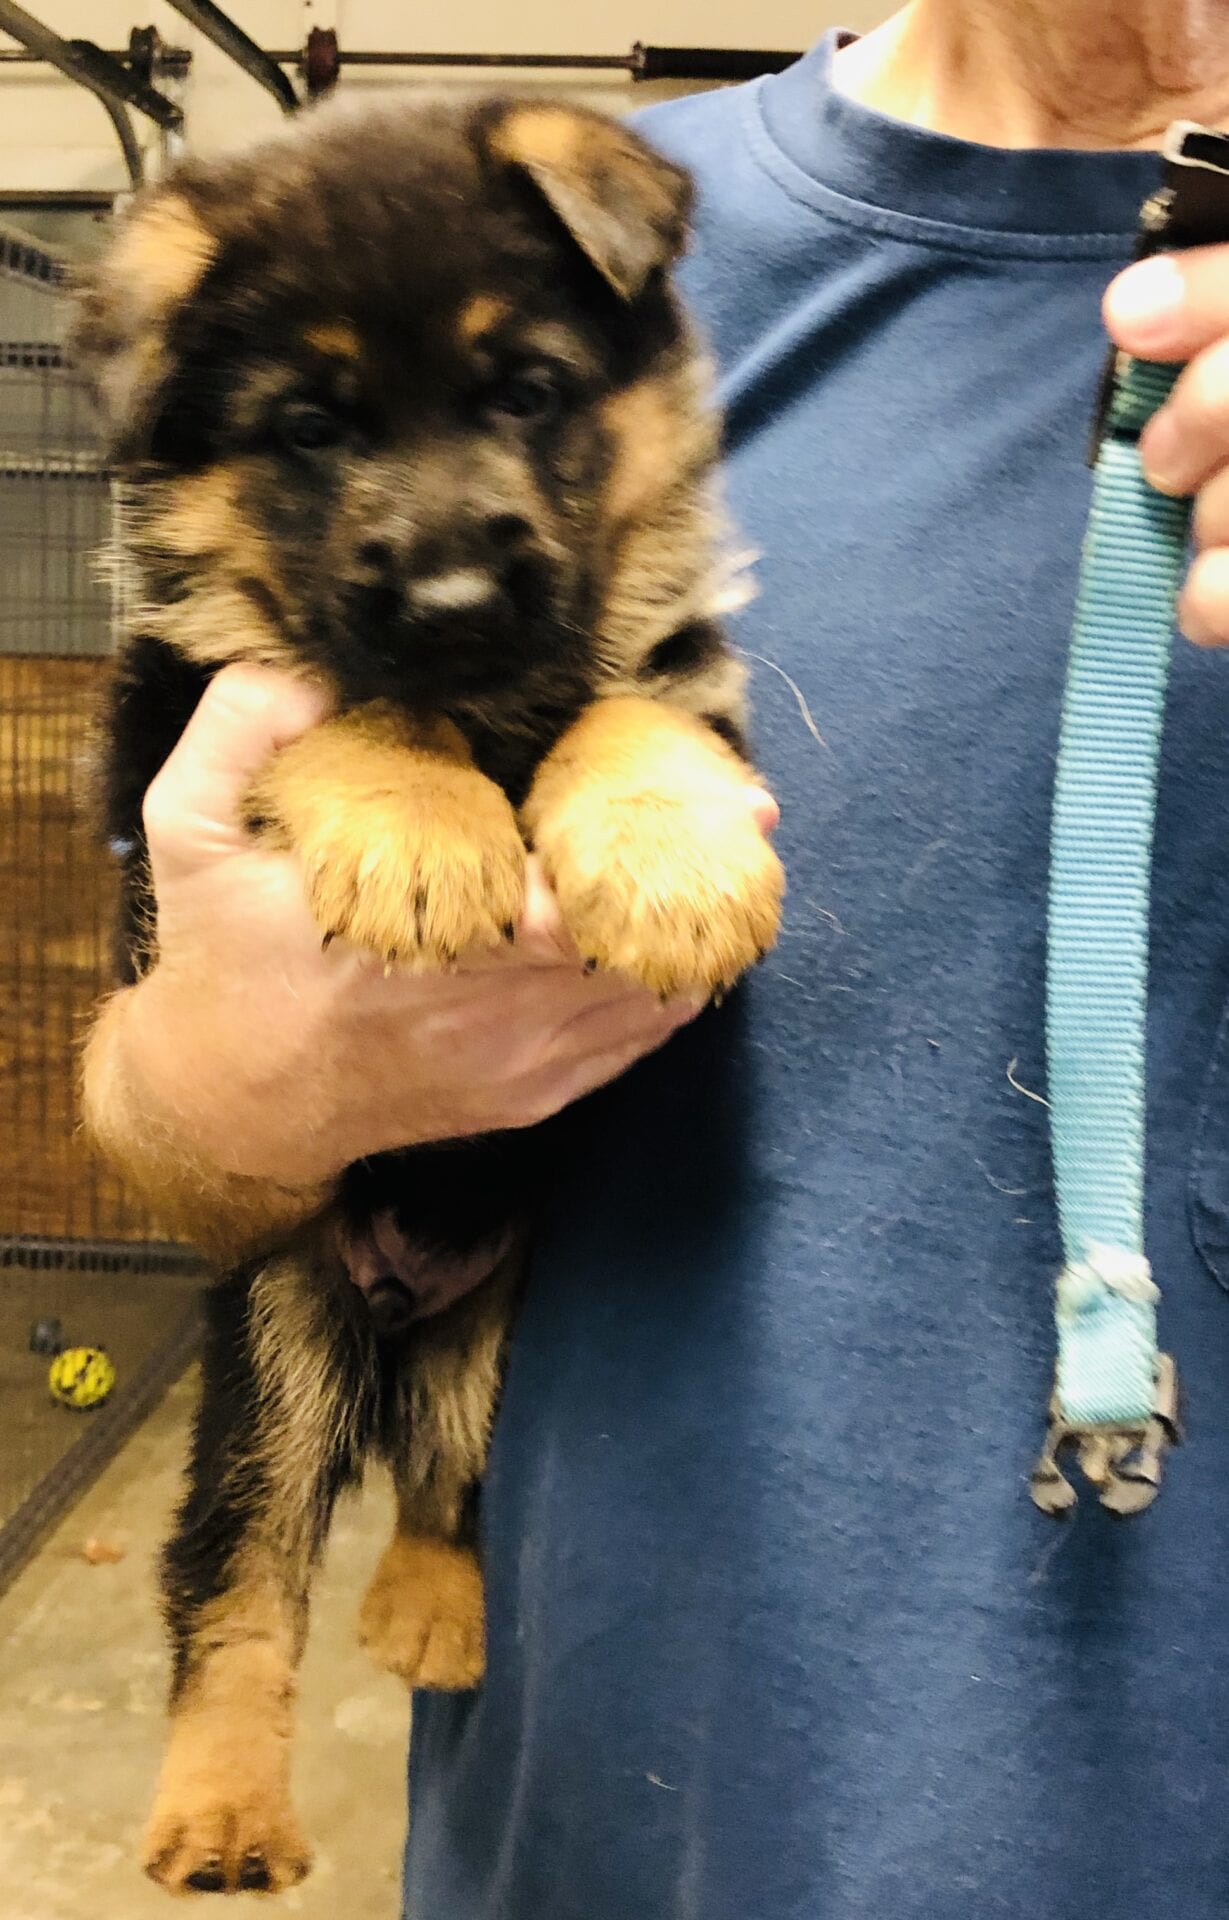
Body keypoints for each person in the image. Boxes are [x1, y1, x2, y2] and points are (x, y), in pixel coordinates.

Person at [84, 4, 1229, 1914]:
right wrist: (215, 1078)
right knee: (290, 1364)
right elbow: (166, 1108)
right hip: (638, 1821)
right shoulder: (615, 229)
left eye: (514, 403)